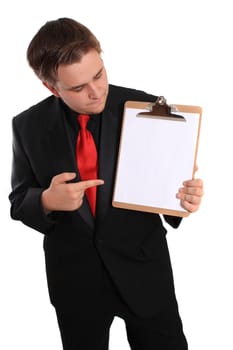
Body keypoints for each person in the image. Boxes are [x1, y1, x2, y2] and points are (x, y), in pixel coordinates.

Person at [9, 17, 204, 350]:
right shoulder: (27, 125)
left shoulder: (147, 108)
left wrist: (184, 199)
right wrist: (46, 200)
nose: (95, 91)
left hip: (144, 272)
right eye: (77, 88)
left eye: (98, 75)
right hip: (74, 281)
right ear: (51, 88)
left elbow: (169, 189)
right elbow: (19, 200)